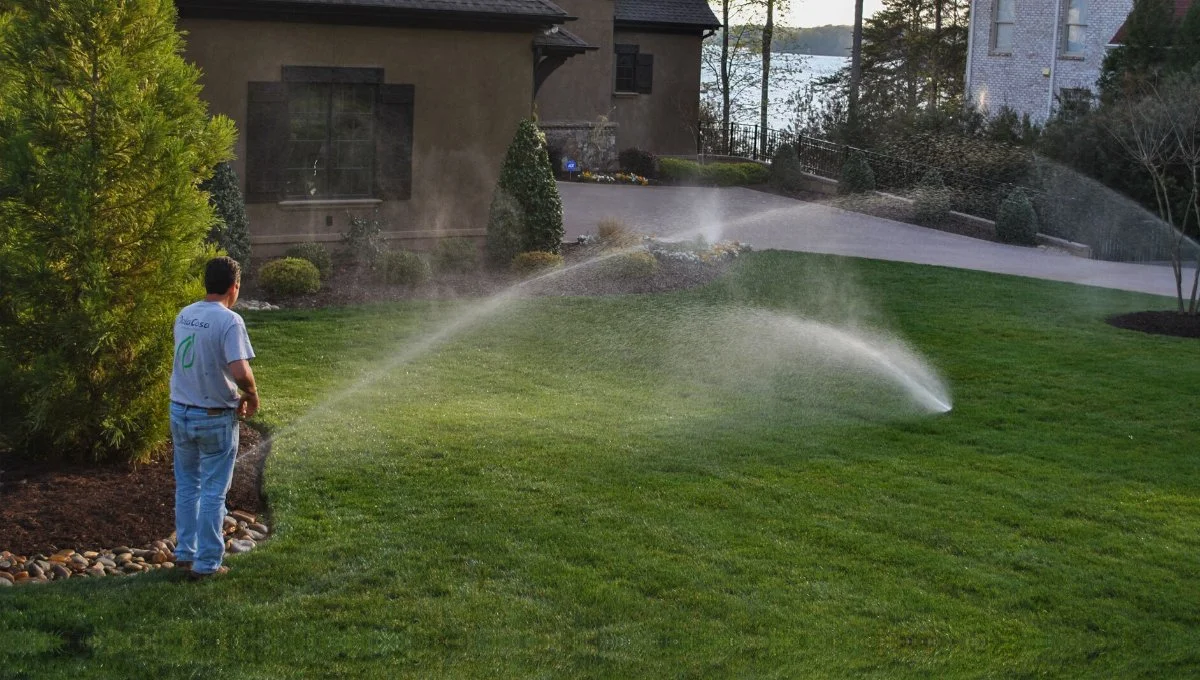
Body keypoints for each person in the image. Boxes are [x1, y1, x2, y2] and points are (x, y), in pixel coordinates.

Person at [169, 256, 259, 580]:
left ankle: (185, 554)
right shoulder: (229, 321)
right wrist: (251, 392)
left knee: (188, 486)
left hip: (180, 411)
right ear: (234, 287)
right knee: (212, 492)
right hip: (213, 417)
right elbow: (239, 370)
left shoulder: (185, 315)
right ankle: (207, 564)